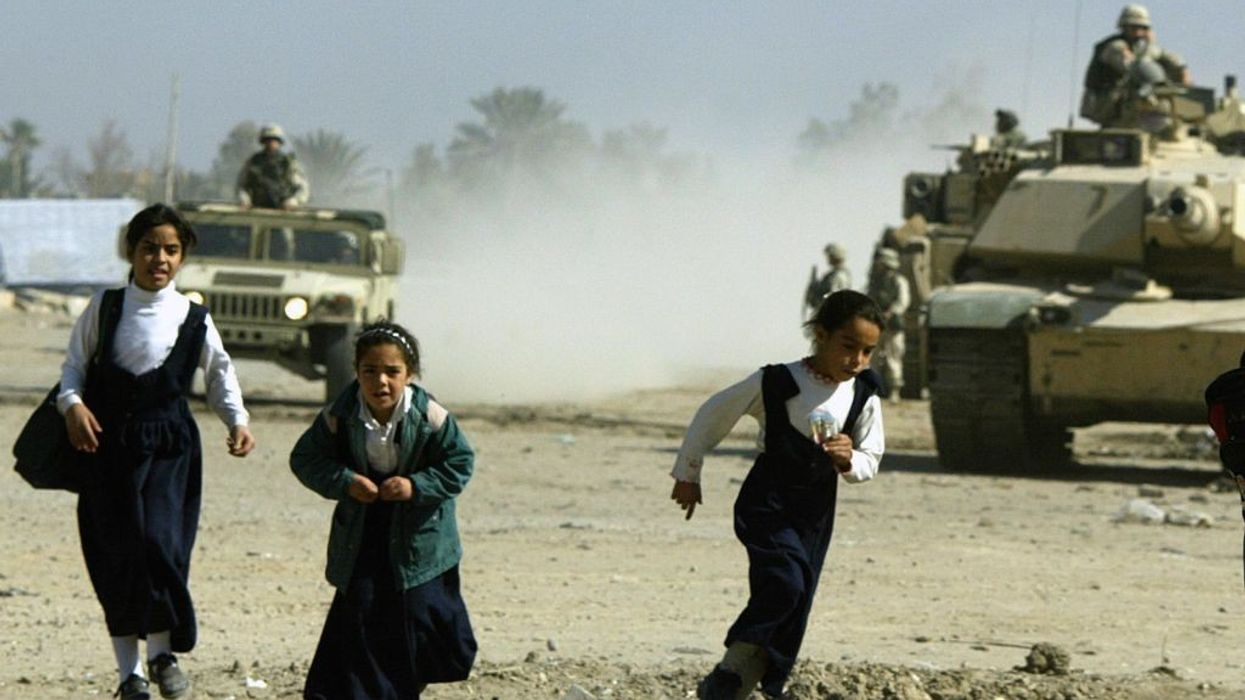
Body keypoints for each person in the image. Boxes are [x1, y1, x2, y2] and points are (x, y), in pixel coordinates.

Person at [58, 203, 256, 700]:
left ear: (183, 256)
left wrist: (237, 419)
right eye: (150, 248)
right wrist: (73, 406)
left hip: (169, 450)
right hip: (109, 450)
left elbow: (219, 373)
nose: (159, 259)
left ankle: (163, 653)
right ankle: (131, 675)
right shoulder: (104, 308)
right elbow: (73, 369)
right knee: (117, 557)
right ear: (131, 250)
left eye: (170, 249)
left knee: (162, 549)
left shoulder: (193, 317)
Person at [670, 290, 886, 700]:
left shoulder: (863, 395)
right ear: (820, 334)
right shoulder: (777, 381)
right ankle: (732, 668)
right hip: (767, 500)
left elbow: (871, 459)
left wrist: (849, 458)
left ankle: (738, 684)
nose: (857, 360)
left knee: (797, 595)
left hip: (816, 509)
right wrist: (689, 473)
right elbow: (712, 415)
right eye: (848, 346)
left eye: (867, 351)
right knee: (786, 582)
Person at [290, 321, 477, 700]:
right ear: (356, 371)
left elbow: (459, 463)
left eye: (392, 372)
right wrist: (345, 481)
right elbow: (306, 459)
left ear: (410, 374)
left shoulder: (430, 417)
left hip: (421, 539)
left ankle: (406, 683)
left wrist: (415, 486)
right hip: (364, 531)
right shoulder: (339, 415)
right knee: (362, 615)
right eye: (369, 371)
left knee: (427, 621)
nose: (381, 383)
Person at [1080, 4, 1190, 128]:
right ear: (1124, 27)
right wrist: (1149, 47)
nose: (1138, 33)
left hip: (1128, 100)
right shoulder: (1114, 46)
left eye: (1142, 28)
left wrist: (1182, 69)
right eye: (1133, 28)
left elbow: (1167, 57)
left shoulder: (1140, 46)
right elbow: (1134, 67)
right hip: (1107, 100)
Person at [867, 248, 910, 400]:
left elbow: (902, 302)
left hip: (893, 324)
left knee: (893, 357)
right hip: (876, 325)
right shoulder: (876, 282)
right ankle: (874, 389)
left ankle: (894, 391)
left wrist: (890, 312)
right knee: (873, 358)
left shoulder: (899, 281)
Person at [236, 123, 310, 210]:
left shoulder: (288, 163)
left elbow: (303, 188)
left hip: (284, 212)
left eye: (275, 139)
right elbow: (241, 186)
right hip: (257, 211)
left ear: (280, 142)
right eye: (268, 139)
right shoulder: (253, 162)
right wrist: (244, 199)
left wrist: (294, 200)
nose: (271, 142)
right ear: (263, 142)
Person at [804, 242, 852, 317]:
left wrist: (819, 300)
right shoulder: (831, 275)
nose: (828, 258)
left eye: (830, 256)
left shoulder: (840, 275)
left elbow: (833, 295)